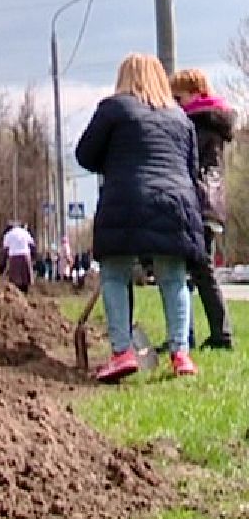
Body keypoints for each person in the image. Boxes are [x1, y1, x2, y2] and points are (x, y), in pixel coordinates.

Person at [75, 54, 207, 381]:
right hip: (176, 204)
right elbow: (190, 169)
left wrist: (113, 157)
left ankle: (122, 353)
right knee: (174, 278)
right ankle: (181, 354)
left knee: (115, 274)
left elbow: (85, 154)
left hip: (126, 200)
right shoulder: (180, 118)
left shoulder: (113, 109)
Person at [171, 67, 235, 350]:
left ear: (196, 93)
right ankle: (193, 334)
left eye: (179, 97)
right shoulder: (211, 122)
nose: (175, 103)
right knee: (197, 271)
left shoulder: (198, 124)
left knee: (198, 272)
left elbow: (192, 165)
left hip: (200, 201)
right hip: (211, 203)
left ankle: (215, 335)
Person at [0, 221, 36, 293]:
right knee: (25, 279)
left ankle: (18, 296)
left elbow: (5, 251)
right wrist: (33, 258)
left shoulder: (8, 235)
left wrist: (2, 266)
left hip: (14, 257)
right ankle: (25, 294)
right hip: (25, 255)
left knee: (15, 280)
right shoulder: (25, 232)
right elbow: (32, 245)